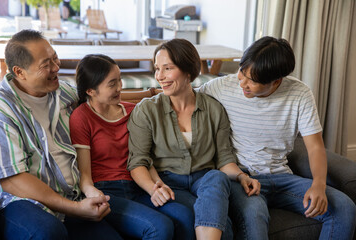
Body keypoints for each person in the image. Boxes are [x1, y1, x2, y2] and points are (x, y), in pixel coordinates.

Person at [198, 36, 356, 239]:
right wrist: (148, 96)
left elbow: (315, 146)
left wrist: (318, 184)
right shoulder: (221, 87)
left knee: (344, 208)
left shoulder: (299, 93)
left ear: (276, 82)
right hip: (244, 178)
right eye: (241, 72)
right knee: (255, 215)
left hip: (282, 177)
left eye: (252, 81)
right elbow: (181, 98)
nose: (243, 84)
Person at [127, 38, 261, 240]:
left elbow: (225, 158)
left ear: (188, 71)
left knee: (217, 177)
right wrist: (153, 189)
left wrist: (242, 176)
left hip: (205, 181)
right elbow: (138, 161)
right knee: (223, 225)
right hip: (168, 182)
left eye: (167, 68)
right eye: (157, 69)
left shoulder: (214, 109)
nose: (159, 76)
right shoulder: (146, 110)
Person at [0, 30, 121, 239]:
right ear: (19, 72)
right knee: (49, 232)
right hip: (21, 201)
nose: (56, 68)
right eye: (46, 65)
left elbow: (101, 98)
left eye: (55, 58)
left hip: (73, 194)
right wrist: (75, 208)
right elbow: (13, 180)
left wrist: (154, 98)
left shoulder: (63, 93)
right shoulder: (2, 109)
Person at [69, 54, 195, 240]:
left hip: (138, 186)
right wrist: (93, 194)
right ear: (91, 91)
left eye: (119, 80)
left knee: (185, 216)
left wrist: (156, 184)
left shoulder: (133, 111)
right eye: (112, 84)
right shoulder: (81, 118)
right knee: (159, 227)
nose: (120, 87)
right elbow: (85, 177)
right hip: (107, 192)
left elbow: (144, 158)